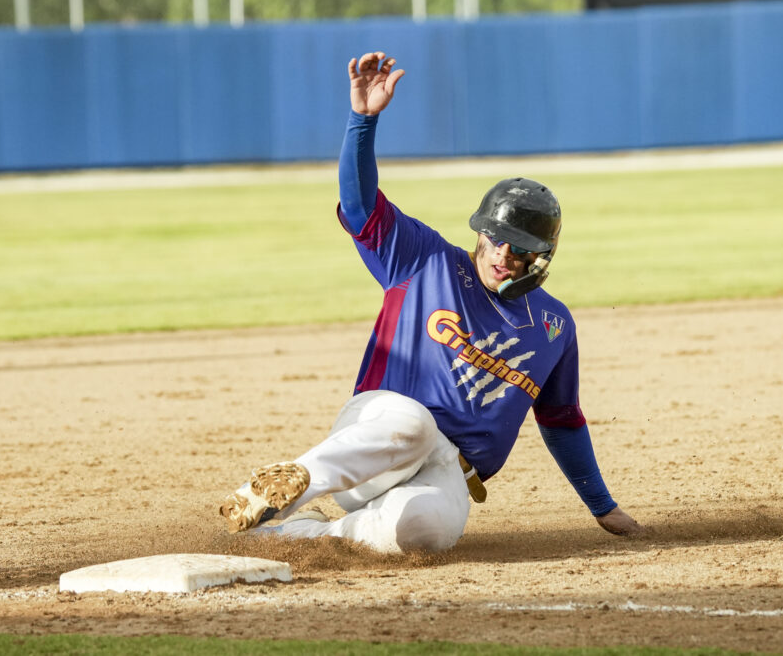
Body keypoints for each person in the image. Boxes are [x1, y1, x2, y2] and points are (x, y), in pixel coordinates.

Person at [219, 51, 643, 553]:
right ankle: (287, 484)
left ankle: (310, 532)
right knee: (414, 424)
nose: (503, 254)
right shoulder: (425, 260)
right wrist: (363, 120)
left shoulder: (553, 326)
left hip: (451, 471)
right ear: (480, 232)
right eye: (495, 237)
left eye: (519, 248)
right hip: (376, 437)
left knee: (425, 532)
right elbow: (360, 207)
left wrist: (602, 506)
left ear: (542, 257)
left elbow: (561, 419)